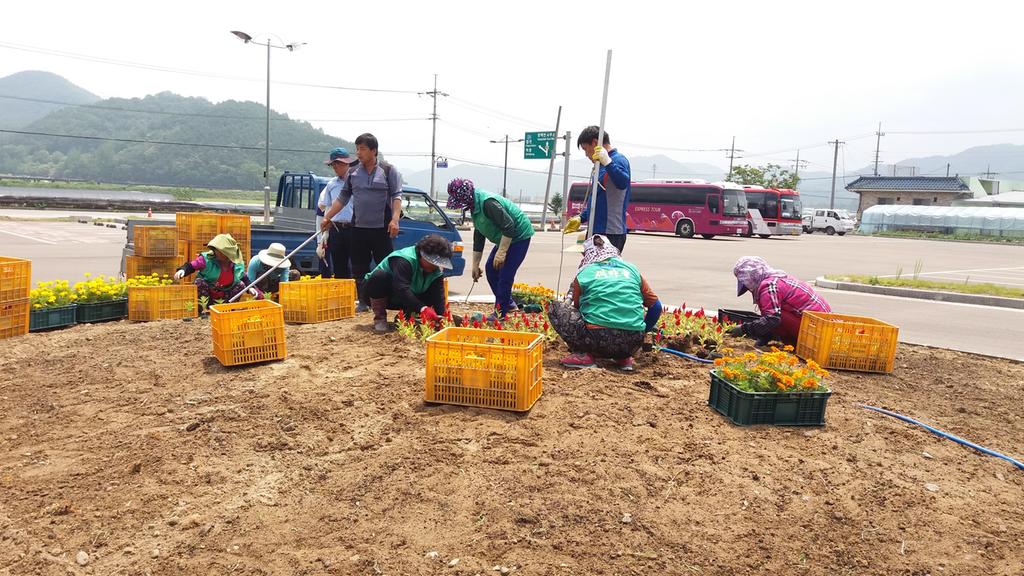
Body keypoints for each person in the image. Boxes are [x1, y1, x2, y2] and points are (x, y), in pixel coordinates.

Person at [549, 234, 662, 371]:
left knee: (556, 308)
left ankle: (583, 355)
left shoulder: (585, 273)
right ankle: (623, 358)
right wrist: (642, 332)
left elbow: (578, 309)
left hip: (597, 340)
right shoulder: (632, 270)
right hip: (632, 343)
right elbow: (656, 307)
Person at [321, 133, 403, 311]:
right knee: (359, 267)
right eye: (357, 149)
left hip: (381, 228)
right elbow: (342, 198)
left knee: (385, 266)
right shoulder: (353, 173)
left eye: (362, 149)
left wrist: (395, 220)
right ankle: (363, 301)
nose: (358, 153)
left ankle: (387, 300)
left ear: (374, 151)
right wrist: (328, 217)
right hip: (358, 228)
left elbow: (397, 196)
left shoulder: (388, 170)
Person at [445, 178, 533, 319]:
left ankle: (500, 312)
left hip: (518, 236)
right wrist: (475, 264)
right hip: (504, 237)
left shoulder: (488, 203)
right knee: (491, 269)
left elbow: (509, 226)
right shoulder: (474, 206)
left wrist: (502, 252)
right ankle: (508, 304)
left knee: (505, 274)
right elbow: (479, 234)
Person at [728, 256, 832, 345]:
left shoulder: (768, 287)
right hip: (821, 327)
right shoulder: (777, 278)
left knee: (774, 316)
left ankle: (795, 343)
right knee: (771, 314)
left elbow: (772, 320)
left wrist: (744, 329)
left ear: (751, 277)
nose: (748, 289)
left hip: (817, 332)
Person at [363, 234, 453, 333]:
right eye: (432, 262)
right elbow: (401, 288)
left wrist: (441, 318)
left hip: (404, 298)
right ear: (422, 255)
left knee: (432, 292)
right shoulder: (404, 260)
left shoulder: (436, 270)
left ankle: (406, 316)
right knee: (379, 276)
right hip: (382, 294)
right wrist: (422, 308)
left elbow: (438, 296)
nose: (434, 266)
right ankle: (380, 319)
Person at [565, 126, 631, 253]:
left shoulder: (618, 160)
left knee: (604, 265)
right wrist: (581, 218)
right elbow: (596, 198)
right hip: (596, 230)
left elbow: (623, 183)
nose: (586, 154)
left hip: (610, 232)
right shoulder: (599, 165)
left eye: (585, 149)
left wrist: (608, 162)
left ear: (595, 143)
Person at [174, 234, 259, 302]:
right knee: (199, 282)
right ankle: (203, 311)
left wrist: (250, 288)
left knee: (240, 285)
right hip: (208, 294)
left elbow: (243, 277)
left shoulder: (236, 264)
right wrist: (182, 270)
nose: (217, 253)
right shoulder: (206, 259)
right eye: (216, 250)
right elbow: (191, 266)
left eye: (221, 251)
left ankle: (228, 310)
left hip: (226, 295)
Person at [317, 147, 358, 279]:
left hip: (354, 228)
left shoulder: (357, 182)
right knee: (339, 267)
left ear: (347, 163)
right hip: (336, 229)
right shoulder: (331, 184)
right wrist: (325, 230)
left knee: (357, 266)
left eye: (338, 163)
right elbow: (327, 207)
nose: (335, 167)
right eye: (333, 164)